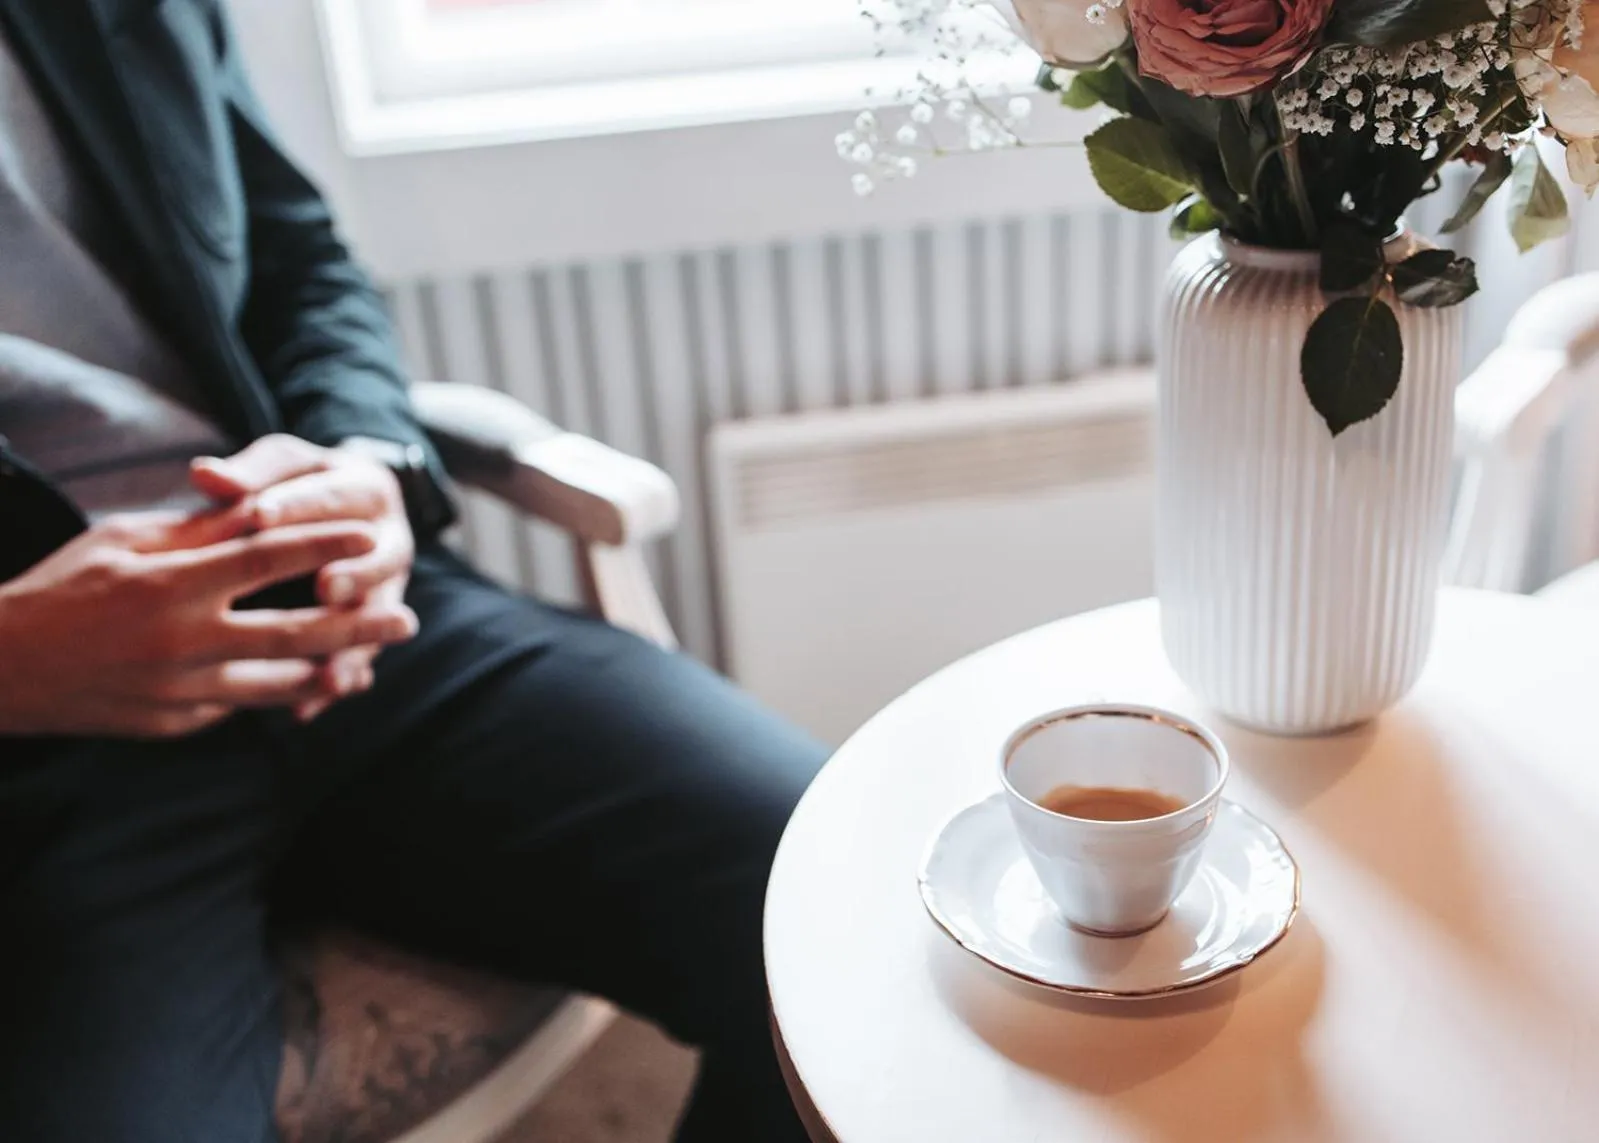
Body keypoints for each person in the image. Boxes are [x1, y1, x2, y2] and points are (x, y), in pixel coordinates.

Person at [0, 2, 825, 1140]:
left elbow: (297, 252)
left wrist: (371, 466)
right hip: (41, 753)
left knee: (843, 915)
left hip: (354, 620)